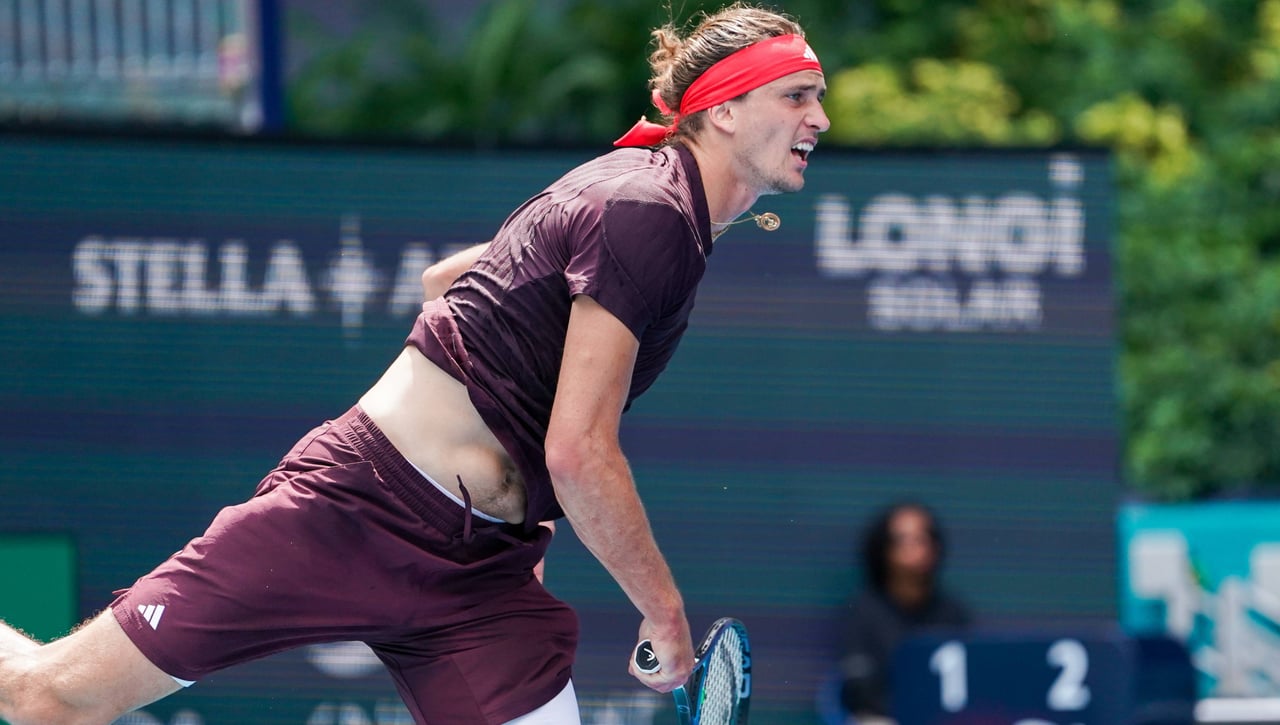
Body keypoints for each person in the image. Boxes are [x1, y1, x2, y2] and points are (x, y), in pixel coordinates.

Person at [0, 4, 830, 724]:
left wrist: (518, 509)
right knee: (49, 698)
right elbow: (578, 451)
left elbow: (452, 282)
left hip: (476, 575)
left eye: (818, 98)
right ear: (723, 108)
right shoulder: (648, 208)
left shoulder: (657, 209)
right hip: (359, 511)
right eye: (798, 95)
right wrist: (664, 612)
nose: (819, 118)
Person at [837, 502, 973, 724]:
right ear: (884, 548)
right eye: (901, 539)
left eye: (921, 538)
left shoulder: (953, 613)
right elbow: (859, 687)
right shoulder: (862, 612)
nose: (912, 548)